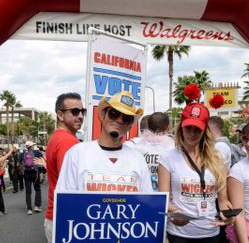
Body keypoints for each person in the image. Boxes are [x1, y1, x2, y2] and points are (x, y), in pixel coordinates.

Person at [158, 101, 232, 242]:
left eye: (197, 129)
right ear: (181, 127)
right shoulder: (167, 158)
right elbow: (164, 200)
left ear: (205, 130)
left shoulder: (218, 158)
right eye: (188, 127)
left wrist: (228, 215)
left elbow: (223, 201)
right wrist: (172, 213)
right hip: (179, 234)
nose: (192, 133)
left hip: (211, 232)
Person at [56, 91, 152, 192]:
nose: (119, 120)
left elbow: (146, 202)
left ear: (130, 126)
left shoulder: (138, 159)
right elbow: (65, 202)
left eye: (126, 118)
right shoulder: (76, 154)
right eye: (114, 113)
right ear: (103, 116)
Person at [44, 92, 85, 243]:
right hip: (66, 219)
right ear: (60, 115)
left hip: (56, 216)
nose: (80, 116)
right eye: (75, 111)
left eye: (82, 111)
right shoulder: (67, 142)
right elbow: (72, 188)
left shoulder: (58, 138)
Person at [125, 112, 175, 191]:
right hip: (164, 197)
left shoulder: (136, 146)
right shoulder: (172, 149)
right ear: (168, 127)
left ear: (149, 126)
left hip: (143, 196)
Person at [23, 140, 43, 215]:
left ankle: (29, 209)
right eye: (33, 145)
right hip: (35, 173)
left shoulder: (23, 154)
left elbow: (20, 163)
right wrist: (41, 172)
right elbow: (43, 159)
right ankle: (37, 206)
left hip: (26, 173)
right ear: (31, 146)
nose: (33, 146)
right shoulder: (37, 152)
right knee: (37, 189)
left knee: (28, 191)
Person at [0, 145, 13, 215]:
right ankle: (3, 210)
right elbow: (7, 156)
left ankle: (2, 210)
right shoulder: (1, 159)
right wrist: (10, 150)